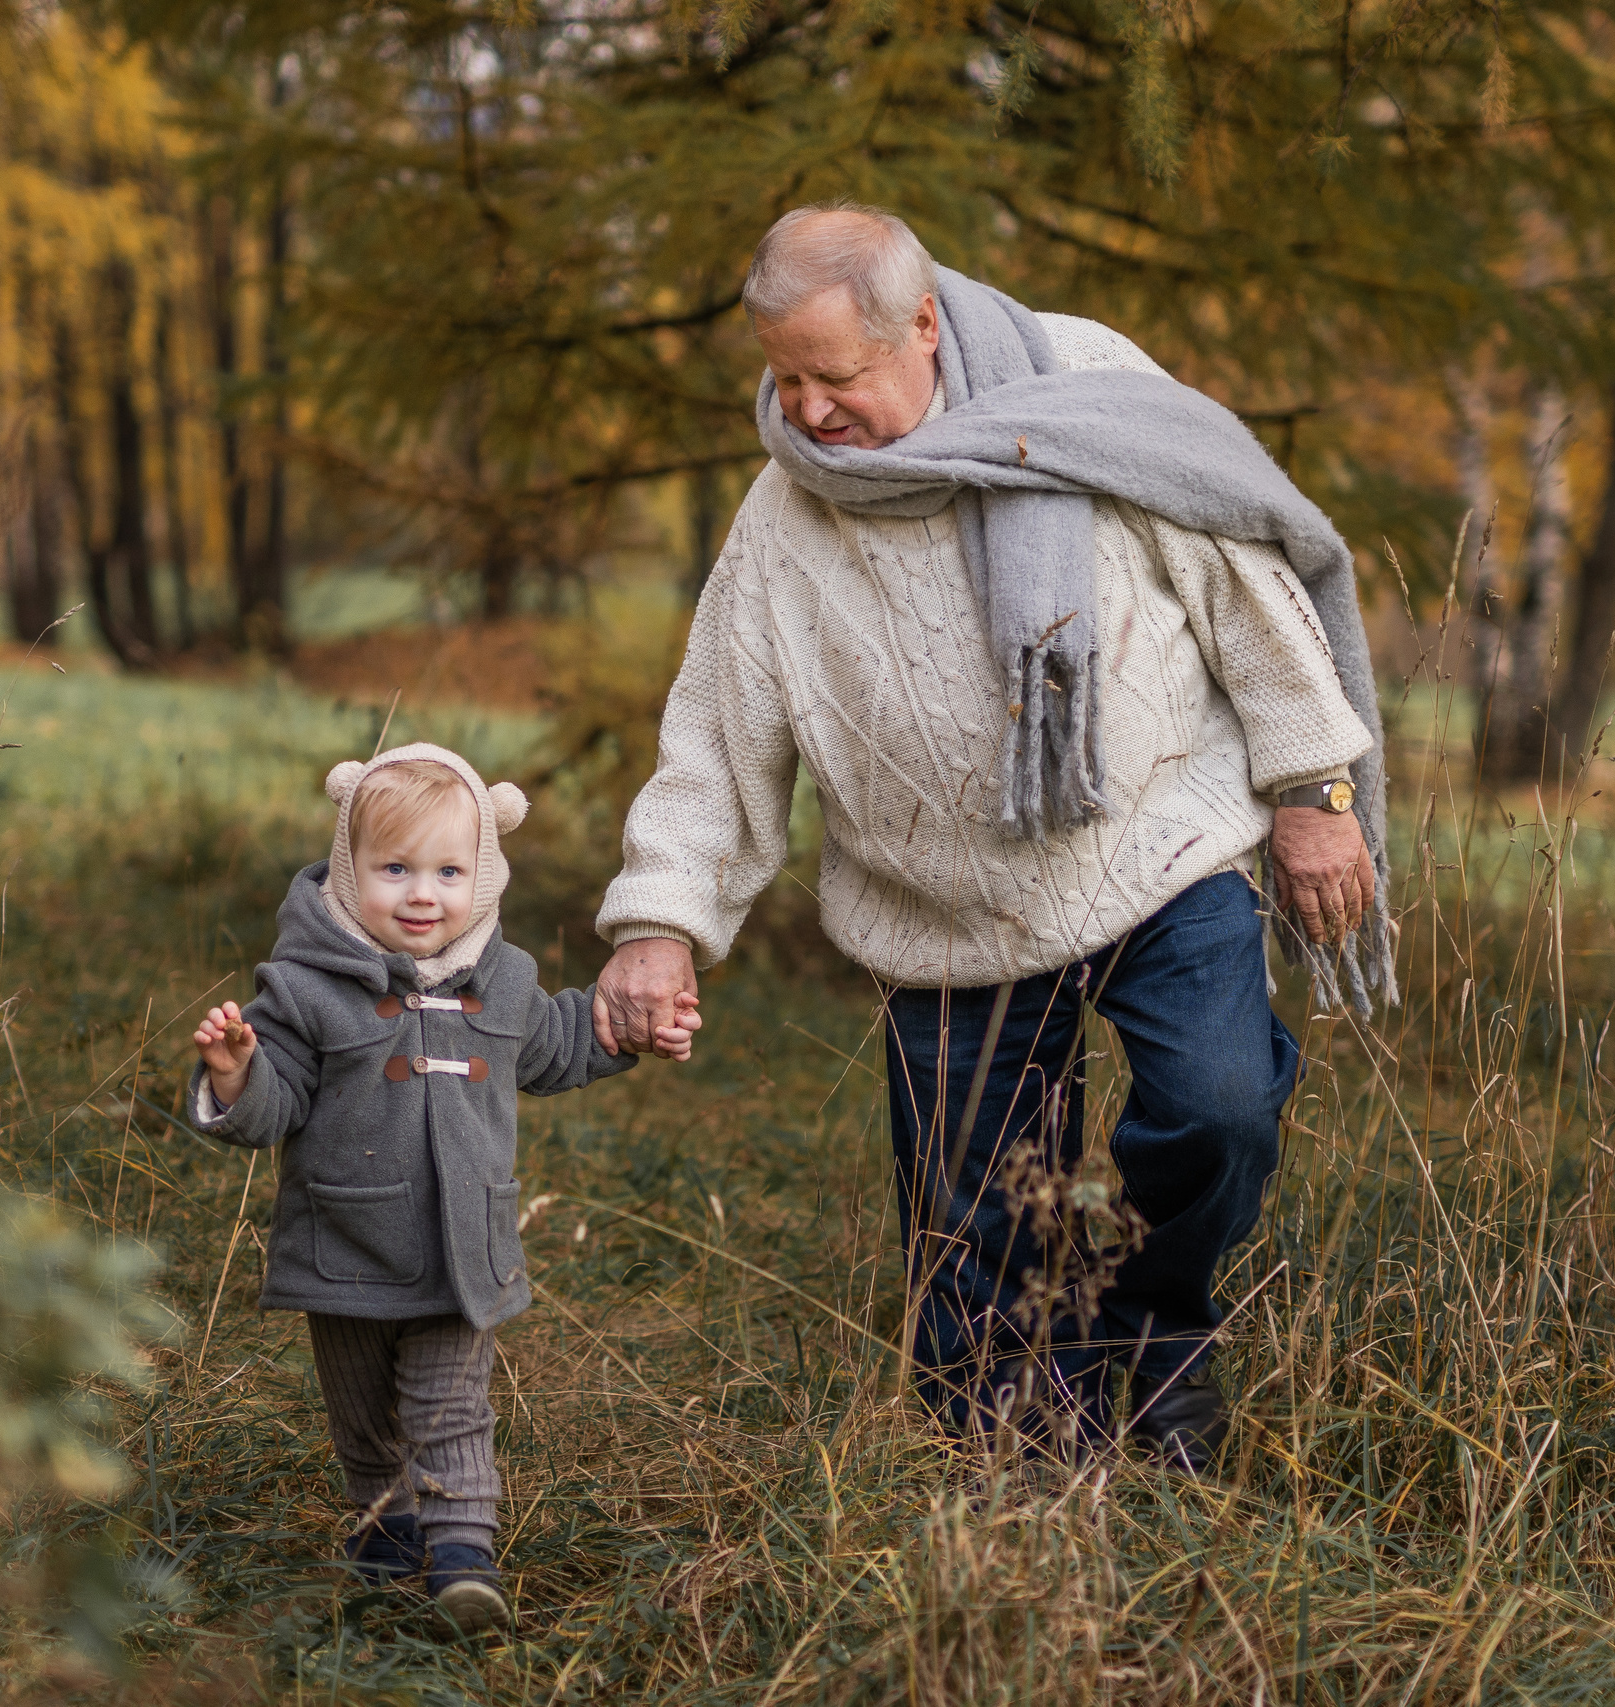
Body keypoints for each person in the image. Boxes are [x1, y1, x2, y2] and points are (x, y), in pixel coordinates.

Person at [590, 204, 1392, 1471]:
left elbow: (1248, 583)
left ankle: (1148, 1345)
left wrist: (1312, 788)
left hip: (1158, 849)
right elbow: (717, 731)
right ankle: (1012, 1468)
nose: (803, 411)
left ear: (919, 325)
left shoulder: (1087, 390)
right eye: (781, 377)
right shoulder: (789, 509)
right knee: (973, 1242)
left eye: (833, 376)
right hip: (941, 908)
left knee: (1221, 1110)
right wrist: (658, 926)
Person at [188, 743, 700, 1631]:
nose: (423, 894)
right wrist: (238, 1074)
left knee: (452, 1405)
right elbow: (277, 1105)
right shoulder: (305, 988)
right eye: (395, 869)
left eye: (449, 870)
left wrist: (632, 1032)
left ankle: (465, 1559)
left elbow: (557, 1043)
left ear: (486, 875)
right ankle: (385, 1545)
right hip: (344, 1248)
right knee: (364, 1416)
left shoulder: (504, 982)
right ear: (351, 874)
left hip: (465, 1247)